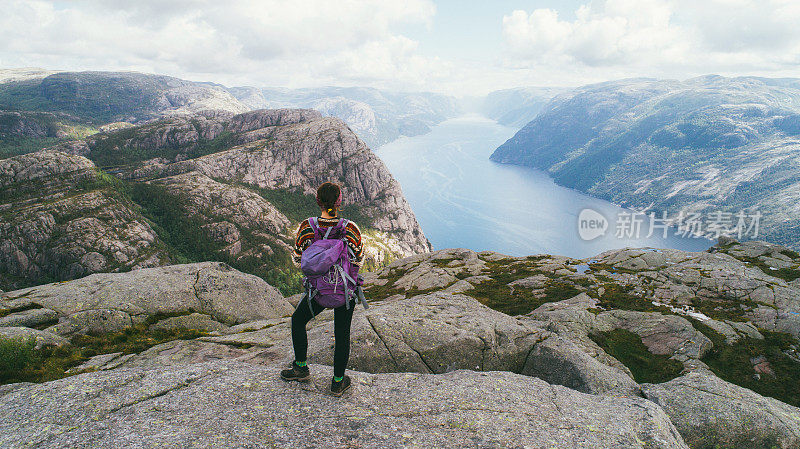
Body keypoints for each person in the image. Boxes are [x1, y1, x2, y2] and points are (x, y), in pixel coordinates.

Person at [280, 181, 363, 396]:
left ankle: (300, 367)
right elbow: (359, 259)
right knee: (342, 333)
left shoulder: (308, 227)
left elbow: (299, 257)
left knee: (298, 321)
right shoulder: (350, 228)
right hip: (344, 291)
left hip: (317, 291)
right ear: (339, 201)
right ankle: (337, 382)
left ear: (318, 201)